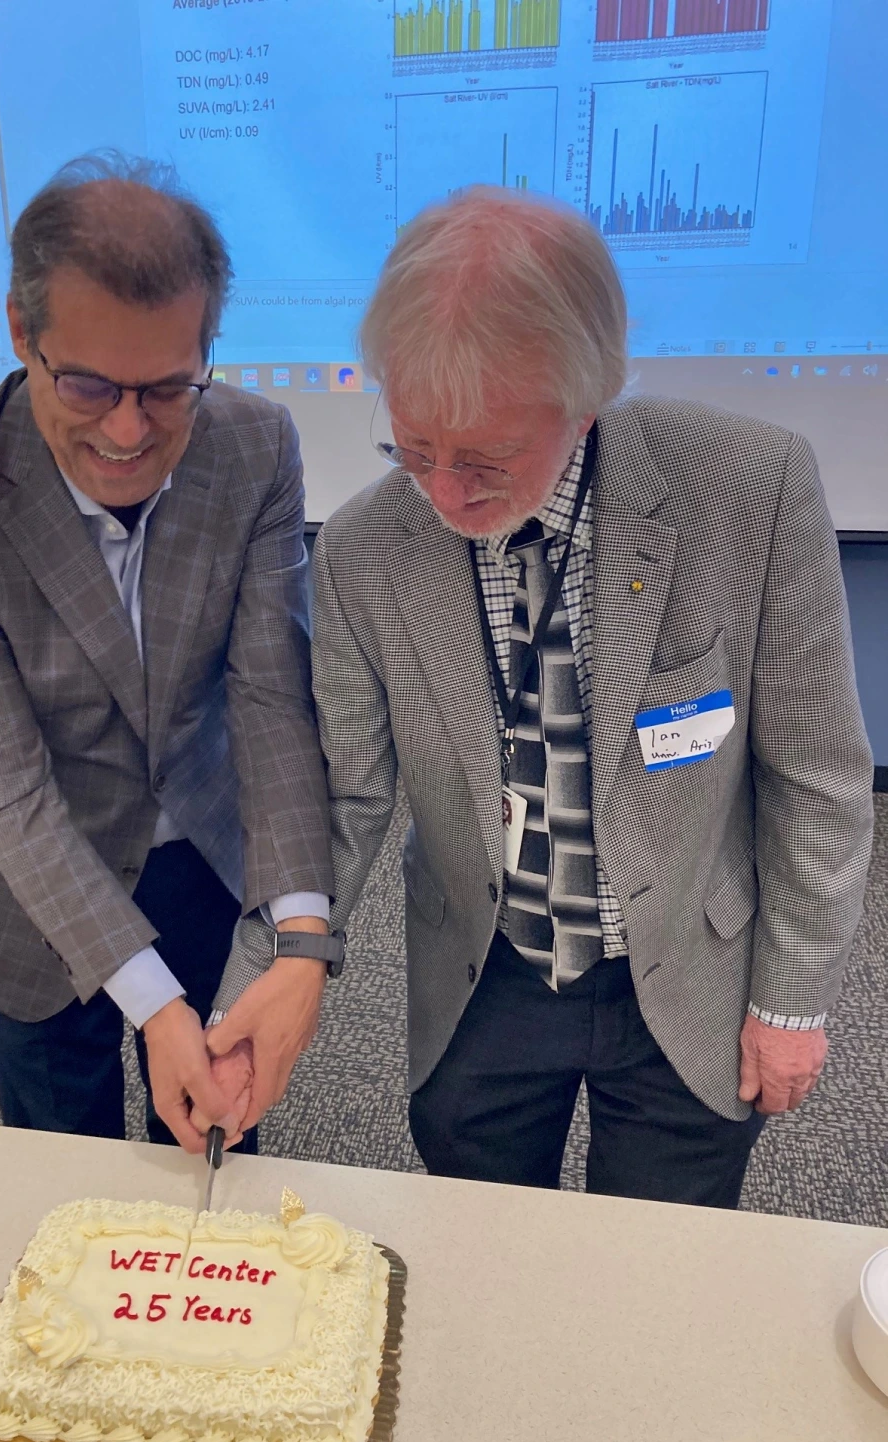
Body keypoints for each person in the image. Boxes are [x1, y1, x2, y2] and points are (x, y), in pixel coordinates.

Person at [214, 188, 874, 1207]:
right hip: (487, 968)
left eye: (485, 461)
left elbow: (818, 777)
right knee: (478, 1251)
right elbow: (341, 797)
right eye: (413, 450)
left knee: (655, 1269)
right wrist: (268, 973)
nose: (444, 494)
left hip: (687, 973)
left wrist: (793, 1003)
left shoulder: (753, 489)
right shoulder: (360, 550)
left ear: (589, 395)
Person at [0, 154, 341, 1153]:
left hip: (202, 854)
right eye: (86, 383)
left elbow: (269, 699)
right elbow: (4, 784)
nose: (128, 431)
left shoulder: (256, 446)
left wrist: (301, 935)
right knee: (57, 1154)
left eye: (168, 388)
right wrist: (153, 1006)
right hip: (23, 885)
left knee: (214, 1145)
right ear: (19, 335)